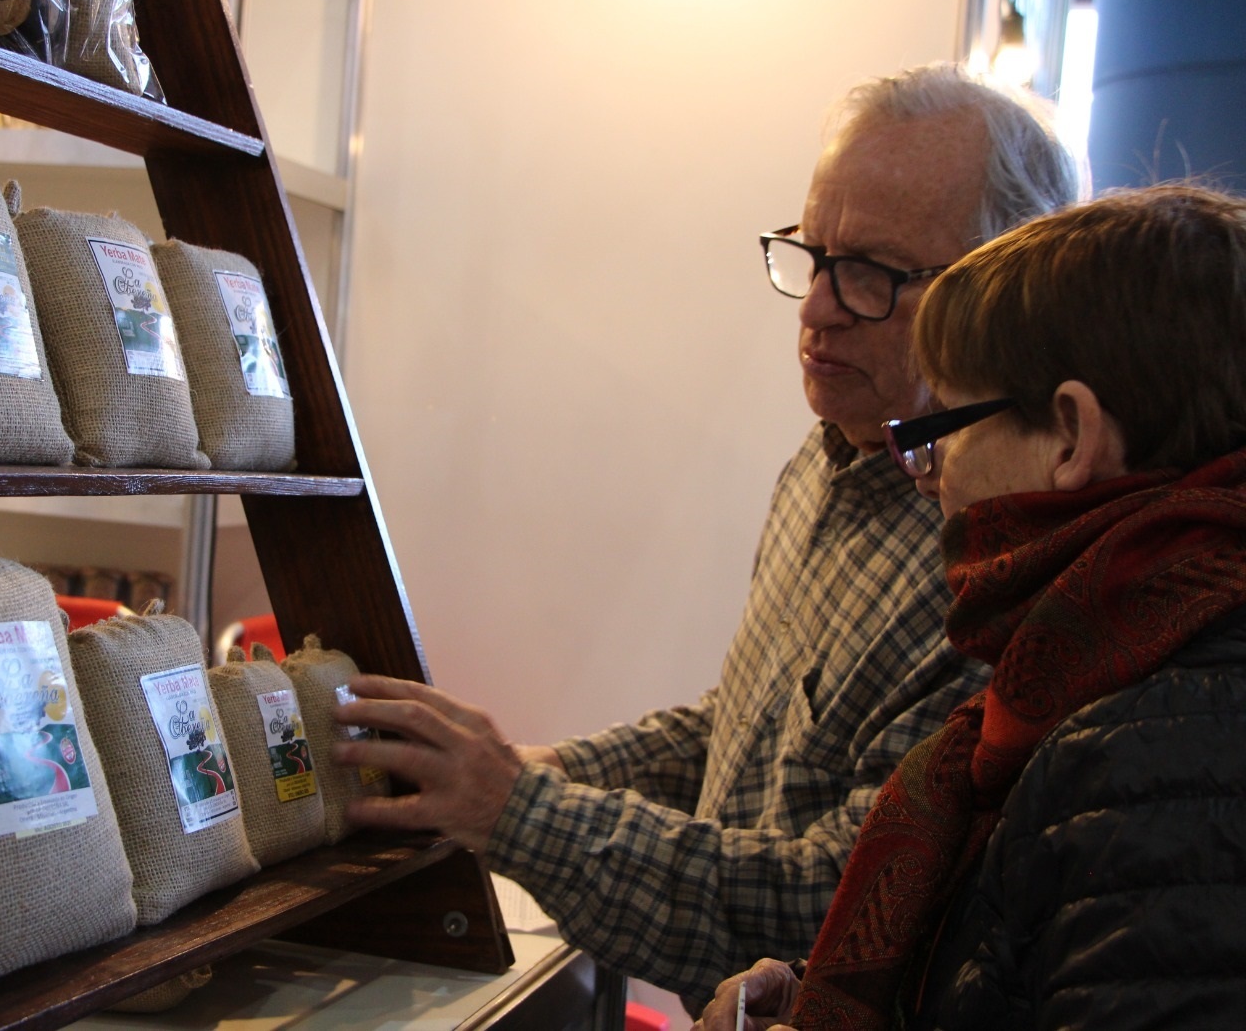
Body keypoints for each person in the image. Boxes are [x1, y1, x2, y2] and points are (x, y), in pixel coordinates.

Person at [331, 63, 1080, 1012]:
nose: (815, 309)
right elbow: (749, 728)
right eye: (813, 255)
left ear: (997, 292)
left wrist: (517, 810)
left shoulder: (997, 550)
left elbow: (837, 905)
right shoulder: (825, 459)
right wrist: (545, 771)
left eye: (872, 275)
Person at [694, 184, 1246, 1031]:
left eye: (946, 425)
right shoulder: (1113, 672)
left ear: (1071, 436)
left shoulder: (1155, 747)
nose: (931, 476)